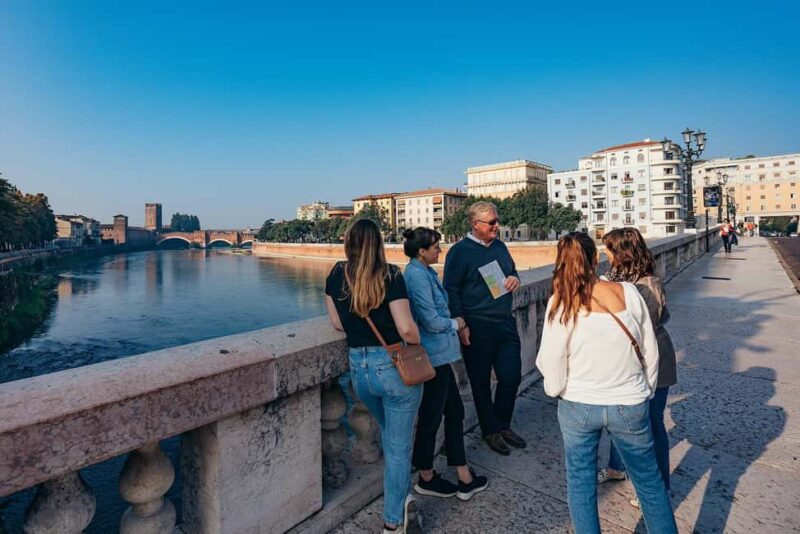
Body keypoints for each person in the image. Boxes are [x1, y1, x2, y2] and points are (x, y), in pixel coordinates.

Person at [536, 232, 677, 534]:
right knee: (650, 483)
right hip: (629, 401)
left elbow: (549, 364)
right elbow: (649, 352)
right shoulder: (628, 292)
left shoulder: (559, 303)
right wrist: (644, 391)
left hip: (577, 403)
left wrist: (558, 391)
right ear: (594, 258)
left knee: (581, 483)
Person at [324, 219, 423, 534]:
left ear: (349, 243)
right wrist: (420, 340)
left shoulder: (336, 274)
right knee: (397, 447)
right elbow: (406, 327)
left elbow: (338, 325)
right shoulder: (391, 274)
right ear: (379, 243)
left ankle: (402, 496)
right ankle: (394, 521)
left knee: (391, 438)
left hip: (360, 371)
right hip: (392, 368)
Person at [402, 227, 490, 502]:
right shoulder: (416, 276)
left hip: (440, 355)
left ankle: (459, 473)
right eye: (436, 246)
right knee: (436, 415)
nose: (440, 249)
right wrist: (457, 323)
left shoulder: (424, 272)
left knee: (452, 412)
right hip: (433, 356)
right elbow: (430, 319)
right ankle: (429, 476)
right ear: (421, 251)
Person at [597, 228, 678, 509]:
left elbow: (643, 328)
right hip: (628, 361)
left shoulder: (647, 285)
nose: (605, 254)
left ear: (622, 253)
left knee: (652, 425)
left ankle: (661, 488)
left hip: (652, 360)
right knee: (621, 422)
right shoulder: (618, 279)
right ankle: (617, 467)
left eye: (609, 249)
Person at [443, 201, 526, 456]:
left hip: (504, 322)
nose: (497, 226)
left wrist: (515, 278)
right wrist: (461, 323)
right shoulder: (459, 252)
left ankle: (502, 424)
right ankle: (490, 430)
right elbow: (451, 291)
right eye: (492, 223)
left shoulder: (500, 246)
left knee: (511, 376)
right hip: (477, 327)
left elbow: (512, 272)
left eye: (496, 221)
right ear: (475, 224)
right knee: (480, 383)